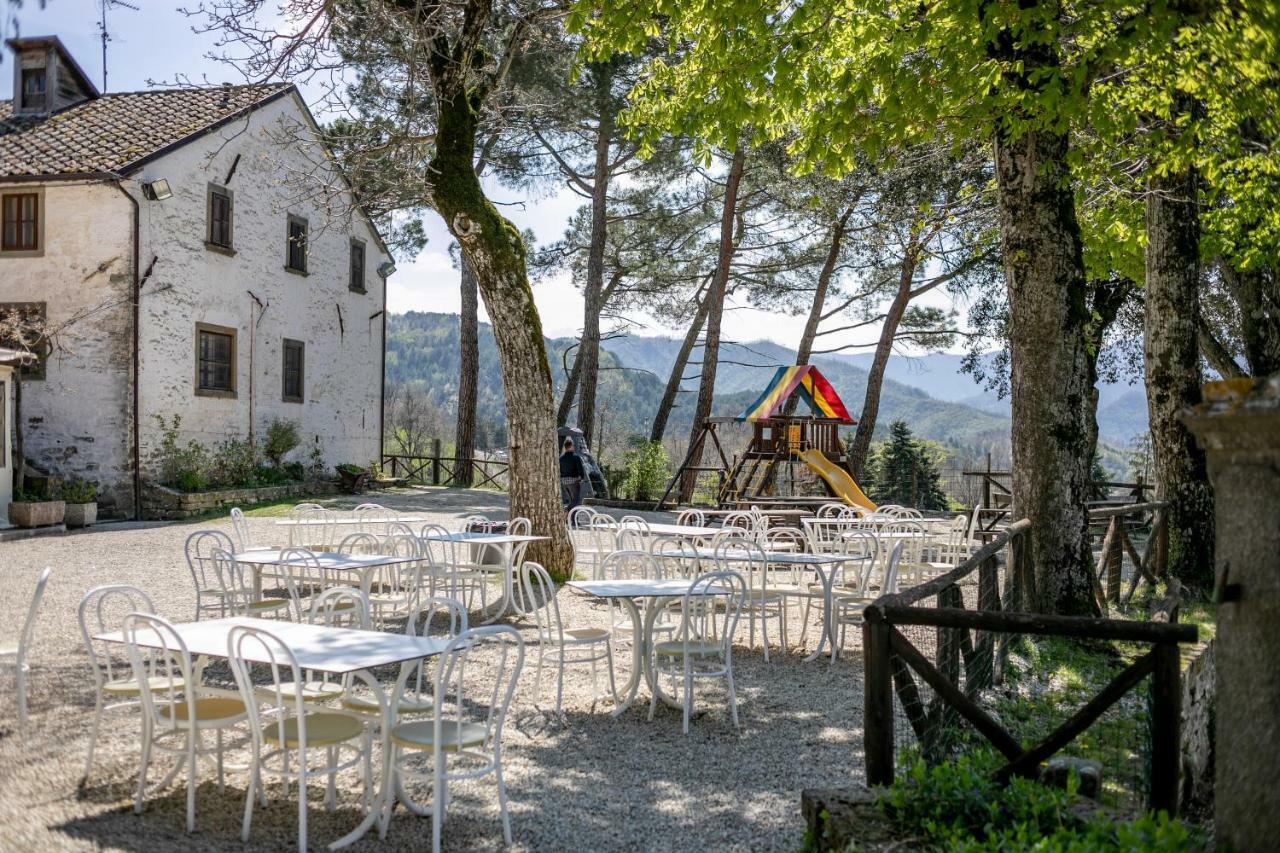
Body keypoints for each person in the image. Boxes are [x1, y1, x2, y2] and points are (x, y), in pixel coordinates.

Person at [560, 437, 587, 511]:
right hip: (574, 481)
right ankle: (573, 519)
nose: (574, 447)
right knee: (576, 500)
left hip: (564, 482)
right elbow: (580, 469)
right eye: (573, 445)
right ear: (571, 446)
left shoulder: (561, 458)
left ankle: (568, 516)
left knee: (571, 501)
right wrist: (581, 478)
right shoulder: (576, 457)